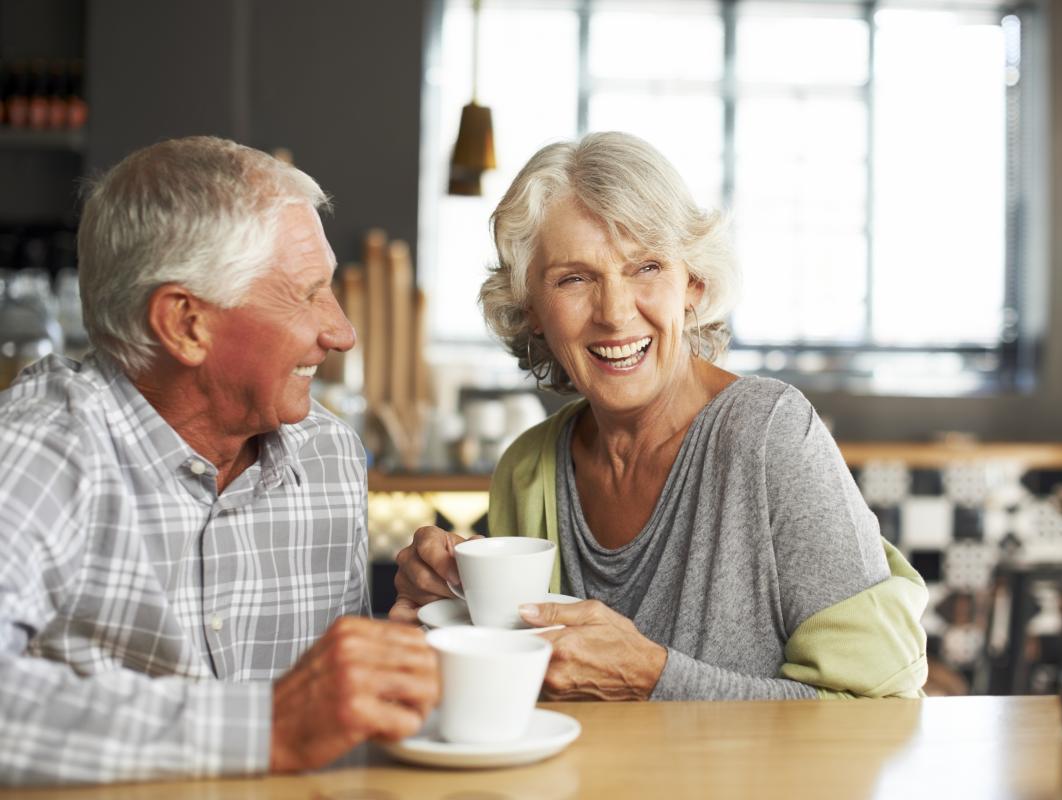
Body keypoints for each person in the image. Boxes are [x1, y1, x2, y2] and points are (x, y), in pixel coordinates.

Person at [391, 131, 928, 701]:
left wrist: (653, 677)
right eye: (574, 279)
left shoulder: (771, 436)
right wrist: (441, 609)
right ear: (534, 312)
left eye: (646, 267)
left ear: (692, 286)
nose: (616, 313)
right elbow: (516, 691)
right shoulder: (528, 467)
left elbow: (880, 716)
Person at [0, 136, 438, 785]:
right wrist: (266, 726)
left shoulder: (329, 452)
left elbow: (332, 719)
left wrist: (407, 643)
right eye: (306, 294)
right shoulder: (43, 449)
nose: (341, 332)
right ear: (185, 324)